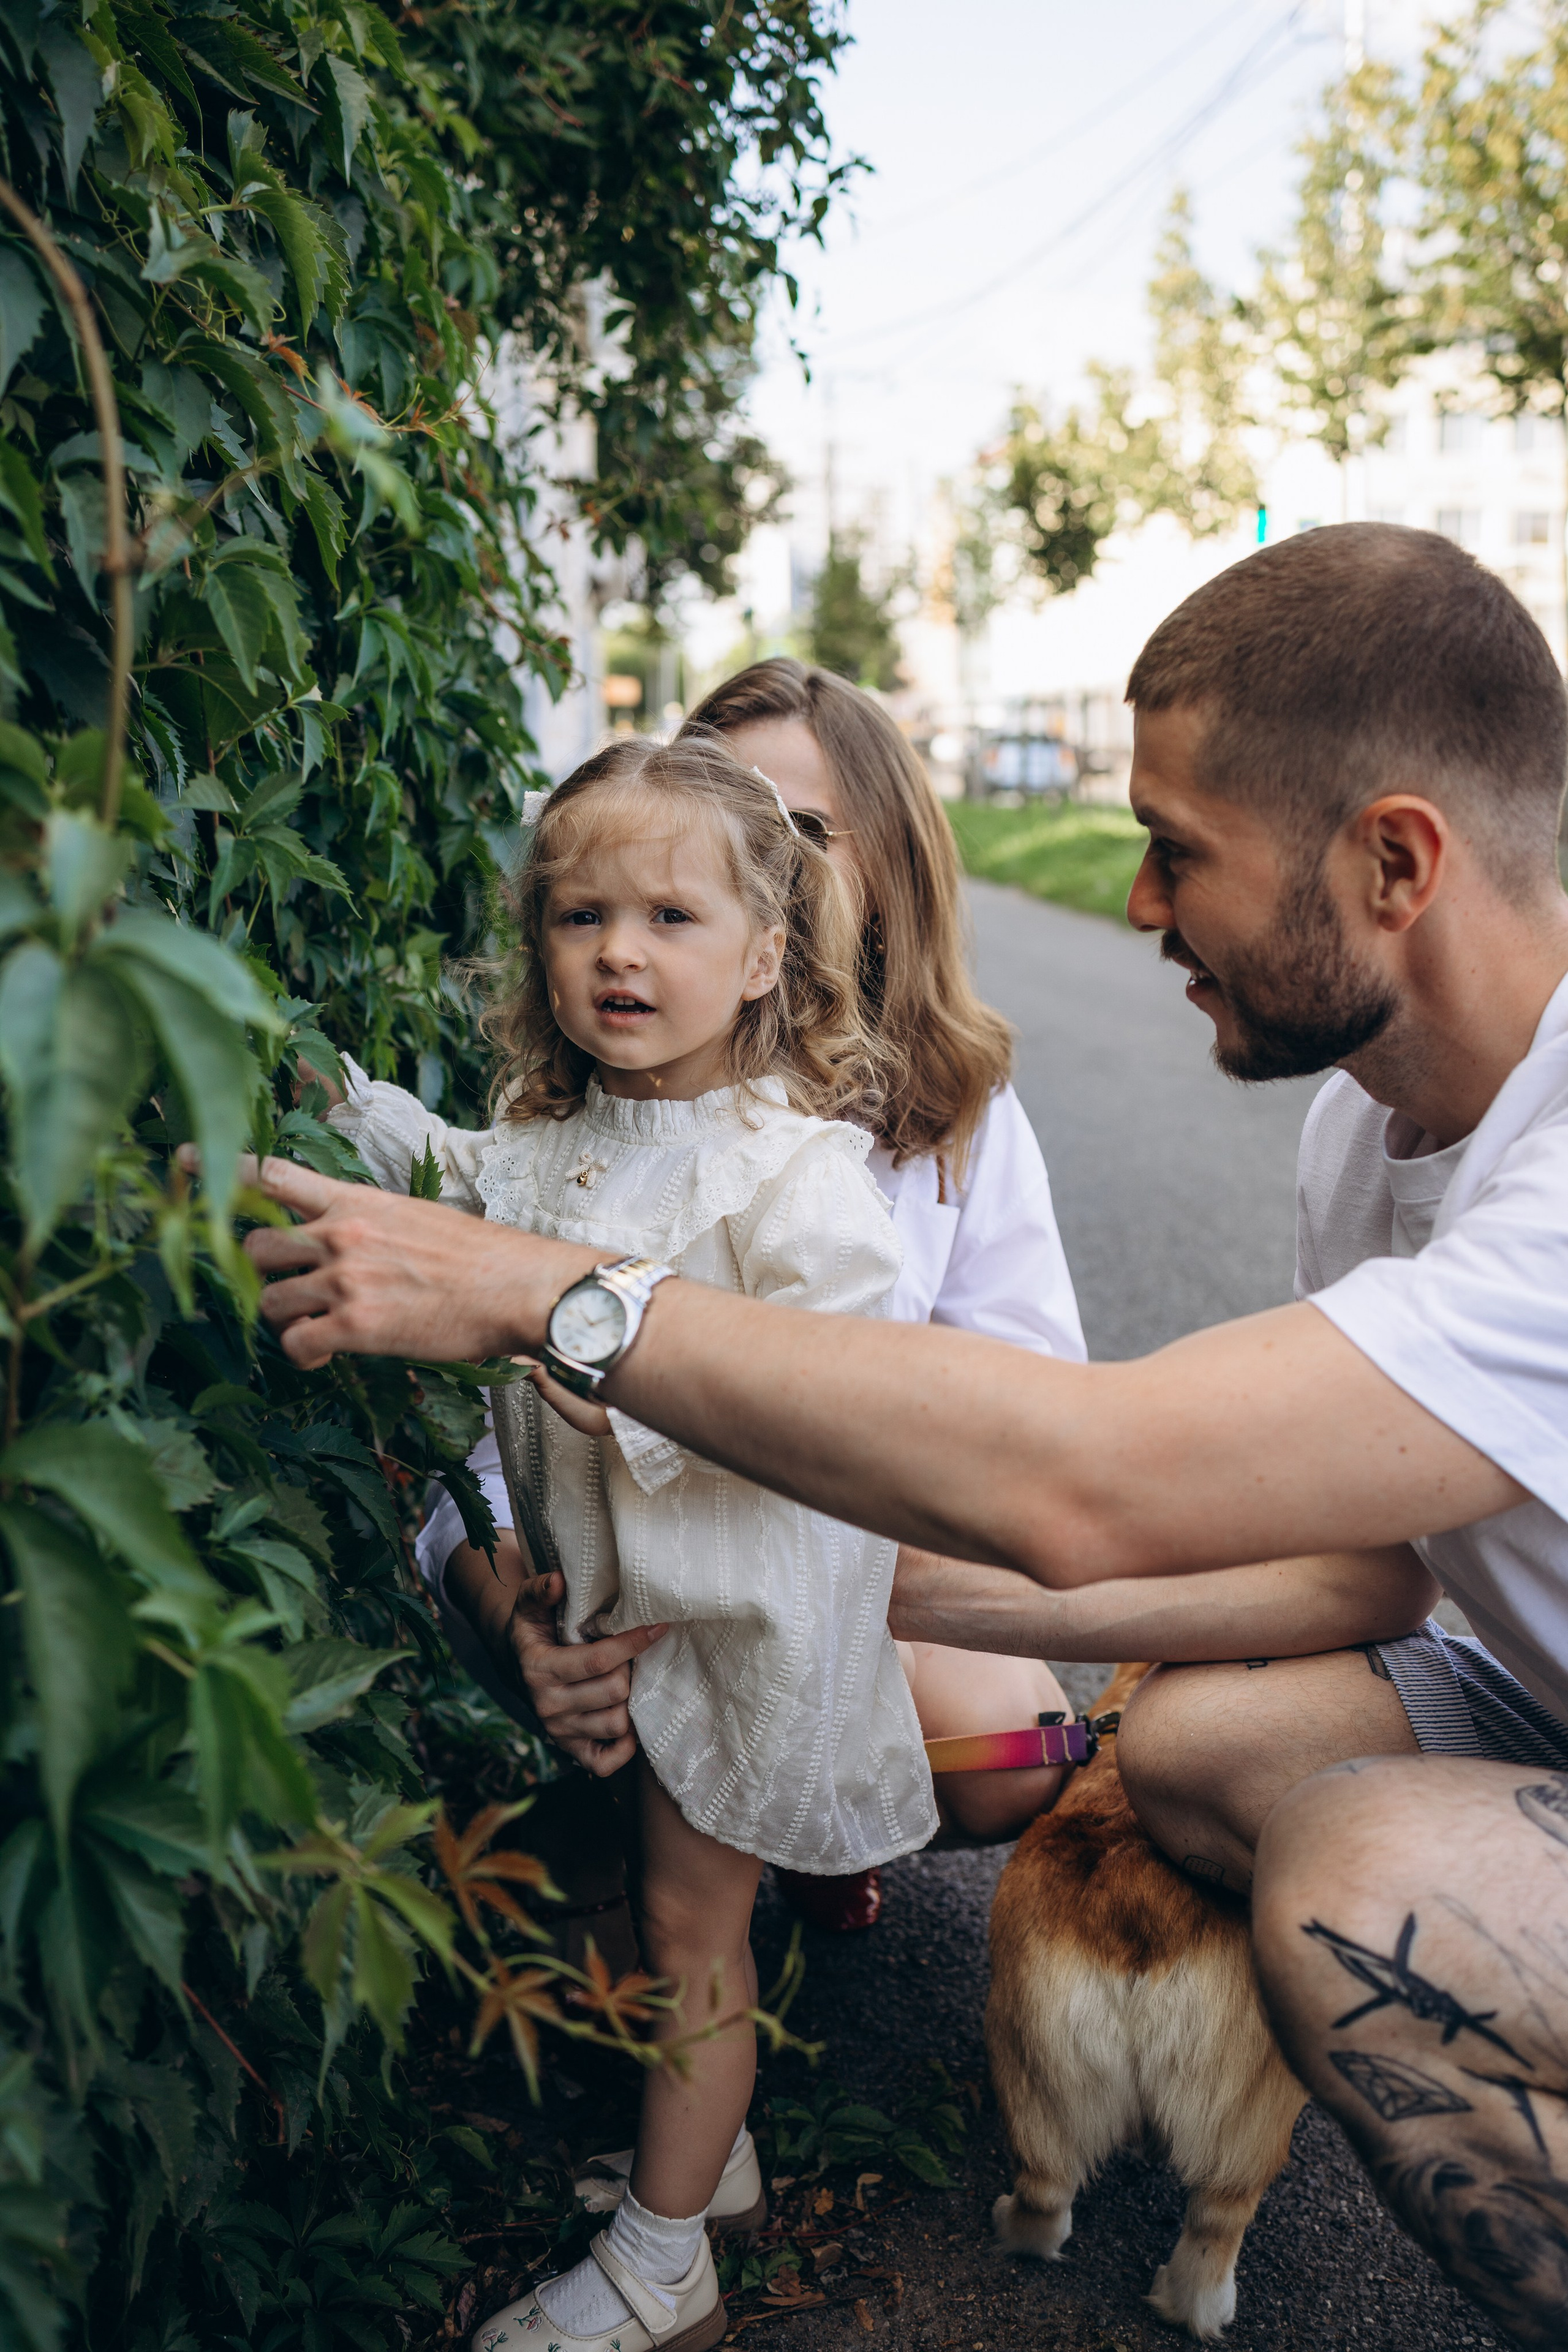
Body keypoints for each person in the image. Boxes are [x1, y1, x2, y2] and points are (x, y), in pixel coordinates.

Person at [243, 524, 1568, 2350]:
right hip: (1514, 1686)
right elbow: (1371, 1560)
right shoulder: (1368, 1126)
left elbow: (1087, 1474)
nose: (1134, 902)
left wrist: (554, 1295)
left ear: (1396, 862)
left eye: (1174, 848)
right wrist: (784, 1585)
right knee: (1194, 1748)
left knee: (1359, 1885)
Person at [326, 733, 940, 2352]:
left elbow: (843, 1383)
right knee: (665, 1913)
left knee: (688, 1935)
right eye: (580, 914)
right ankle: (706, 2163)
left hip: (734, 1625)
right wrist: (323, 1096)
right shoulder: (548, 1144)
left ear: (764, 959)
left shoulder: (790, 1169)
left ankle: (667, 2264)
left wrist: (641, 1406)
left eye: (671, 918)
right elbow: (448, 1187)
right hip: (624, 1612)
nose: (619, 952)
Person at [430, 658, 1088, 1938]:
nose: (763, 848)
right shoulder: (582, 1103)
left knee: (1016, 1741)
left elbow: (1026, 1400)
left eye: (802, 828)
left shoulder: (952, 1109)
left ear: (888, 868)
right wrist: (509, 1616)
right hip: (598, 1583)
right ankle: (617, 1826)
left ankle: (794, 1813)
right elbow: (471, 1433)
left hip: (830, 1565)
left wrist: (843, 1576)